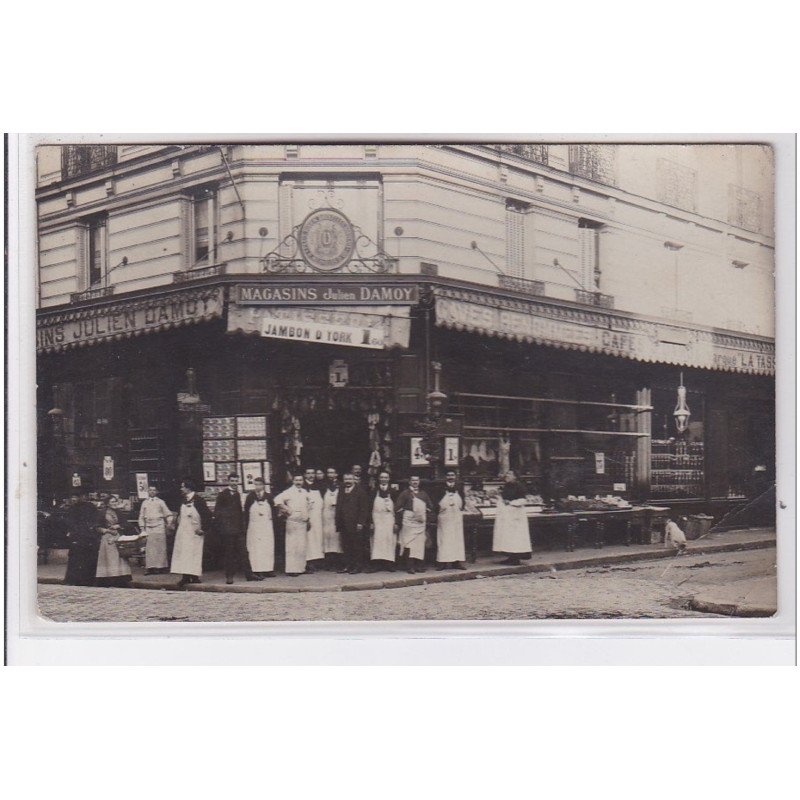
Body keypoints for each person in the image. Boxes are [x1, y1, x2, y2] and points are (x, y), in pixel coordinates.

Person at [215, 472, 261, 585]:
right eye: (232, 481)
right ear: (228, 481)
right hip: (228, 530)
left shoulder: (238, 495)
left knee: (244, 552)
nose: (234, 483)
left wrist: (242, 527)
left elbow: (240, 512)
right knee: (229, 553)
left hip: (238, 529)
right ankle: (229, 576)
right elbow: (218, 512)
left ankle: (249, 575)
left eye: (236, 481)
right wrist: (224, 526)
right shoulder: (222, 495)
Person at [171, 479, 213, 587]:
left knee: (194, 554)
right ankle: (185, 577)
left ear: (188, 488)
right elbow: (179, 515)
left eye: (183, 487)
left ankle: (194, 576)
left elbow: (207, 516)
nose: (181, 489)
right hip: (184, 531)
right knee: (184, 554)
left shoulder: (198, 500)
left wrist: (203, 529)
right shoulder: (182, 500)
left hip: (195, 532)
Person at [274, 473, 312, 576]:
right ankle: (292, 569)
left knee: (301, 546)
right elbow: (277, 500)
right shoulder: (288, 492)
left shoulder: (304, 492)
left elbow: (310, 503)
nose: (299, 482)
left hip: (303, 522)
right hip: (292, 522)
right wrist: (286, 510)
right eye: (296, 480)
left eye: (300, 480)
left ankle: (301, 568)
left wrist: (307, 517)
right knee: (292, 546)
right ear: (293, 481)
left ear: (303, 481)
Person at [63, 488, 102, 586]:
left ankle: (79, 580)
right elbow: (70, 523)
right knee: (80, 559)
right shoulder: (75, 508)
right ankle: (83, 580)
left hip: (84, 537)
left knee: (82, 559)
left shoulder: (87, 507)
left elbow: (95, 521)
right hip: (82, 537)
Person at [395, 475, 434, 574]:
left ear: (419, 482)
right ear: (409, 482)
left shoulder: (423, 494)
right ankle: (410, 566)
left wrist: (423, 513)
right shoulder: (405, 493)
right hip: (409, 522)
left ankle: (419, 566)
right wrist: (407, 514)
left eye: (417, 480)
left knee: (419, 545)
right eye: (413, 480)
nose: (415, 482)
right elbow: (398, 507)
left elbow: (430, 506)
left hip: (420, 522)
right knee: (409, 544)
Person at [492, 470, 531, 565]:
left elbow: (523, 500)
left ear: (515, 477)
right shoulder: (506, 486)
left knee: (516, 537)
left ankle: (516, 558)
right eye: (507, 474)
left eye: (509, 474)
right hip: (508, 514)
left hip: (517, 515)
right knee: (508, 536)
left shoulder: (519, 486)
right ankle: (511, 557)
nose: (507, 476)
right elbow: (504, 498)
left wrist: (510, 503)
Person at [95, 495, 133, 588]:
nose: (115, 504)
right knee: (110, 560)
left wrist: (118, 526)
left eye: (115, 502)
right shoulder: (102, 513)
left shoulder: (119, 512)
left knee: (120, 559)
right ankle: (110, 580)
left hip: (118, 537)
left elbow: (126, 523)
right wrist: (107, 530)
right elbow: (96, 527)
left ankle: (121, 580)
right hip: (107, 538)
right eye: (112, 502)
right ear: (108, 503)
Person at [335, 472, 369, 574]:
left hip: (355, 524)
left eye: (350, 479)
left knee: (356, 546)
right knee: (346, 545)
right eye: (346, 479)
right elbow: (339, 506)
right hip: (343, 523)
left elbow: (364, 509)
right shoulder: (341, 490)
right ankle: (348, 565)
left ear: (354, 480)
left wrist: (361, 522)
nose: (348, 481)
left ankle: (357, 566)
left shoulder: (360, 491)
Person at [244, 477, 277, 577]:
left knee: (267, 547)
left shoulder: (269, 496)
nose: (257, 487)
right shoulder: (250, 497)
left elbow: (274, 511)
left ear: (263, 485)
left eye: (259, 484)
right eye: (256, 484)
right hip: (254, 526)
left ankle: (268, 569)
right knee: (255, 548)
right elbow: (246, 512)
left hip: (266, 526)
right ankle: (257, 570)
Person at [138, 484, 173, 575]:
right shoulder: (145, 502)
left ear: (157, 492)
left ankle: (161, 567)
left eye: (154, 490)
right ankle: (150, 567)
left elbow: (168, 514)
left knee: (160, 547)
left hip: (159, 526)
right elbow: (141, 516)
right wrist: (142, 528)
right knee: (150, 548)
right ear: (148, 492)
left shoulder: (161, 502)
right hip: (149, 527)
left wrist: (169, 523)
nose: (152, 492)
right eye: (150, 490)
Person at [366, 471, 398, 572]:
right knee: (376, 541)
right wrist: (371, 522)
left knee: (389, 540)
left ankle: (389, 564)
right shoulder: (373, 491)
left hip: (389, 519)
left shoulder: (393, 492)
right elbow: (368, 508)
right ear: (379, 479)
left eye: (386, 477)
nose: (384, 479)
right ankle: (376, 564)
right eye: (382, 477)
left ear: (389, 479)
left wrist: (396, 523)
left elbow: (397, 509)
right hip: (377, 519)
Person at [435, 470, 467, 570]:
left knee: (457, 539)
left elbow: (463, 501)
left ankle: (457, 562)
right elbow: (435, 501)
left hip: (456, 516)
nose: (450, 477)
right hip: (445, 517)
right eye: (448, 475)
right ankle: (443, 562)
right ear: (445, 477)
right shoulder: (440, 488)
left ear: (455, 476)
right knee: (444, 539)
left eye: (452, 475)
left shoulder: (460, 488)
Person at [303, 467, 325, 572]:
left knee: (317, 539)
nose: (311, 475)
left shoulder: (319, 487)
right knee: (308, 540)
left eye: (313, 473)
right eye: (308, 473)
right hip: (307, 518)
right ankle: (307, 562)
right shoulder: (302, 487)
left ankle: (316, 561)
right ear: (305, 475)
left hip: (318, 518)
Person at [321, 467, 343, 570]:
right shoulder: (323, 485)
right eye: (328, 473)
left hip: (337, 514)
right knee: (327, 536)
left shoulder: (341, 485)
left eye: (332, 472)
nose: (330, 475)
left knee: (337, 537)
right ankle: (328, 562)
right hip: (326, 514)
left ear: (336, 474)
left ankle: (338, 562)